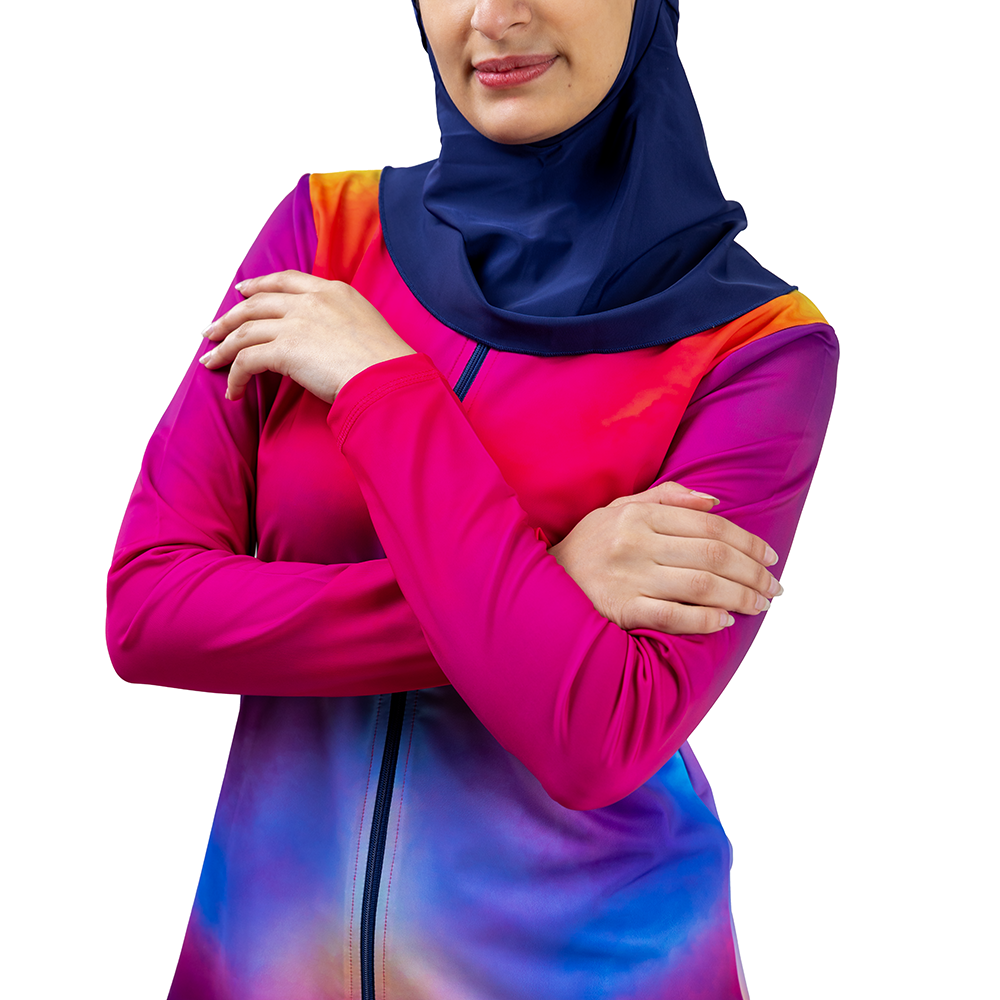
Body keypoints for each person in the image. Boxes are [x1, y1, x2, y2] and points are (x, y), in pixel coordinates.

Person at [106, 0, 837, 996]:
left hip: (601, 969)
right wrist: (550, 583)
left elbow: (594, 735)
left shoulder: (758, 348)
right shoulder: (325, 233)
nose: (493, 16)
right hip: (269, 964)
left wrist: (382, 388)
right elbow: (149, 612)